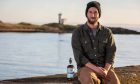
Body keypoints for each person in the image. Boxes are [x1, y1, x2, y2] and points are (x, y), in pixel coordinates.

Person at [71, 1, 120, 84]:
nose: (92, 15)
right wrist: (96, 69)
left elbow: (111, 53)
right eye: (90, 12)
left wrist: (106, 70)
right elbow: (79, 56)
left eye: (95, 12)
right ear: (86, 13)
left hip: (105, 68)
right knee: (88, 80)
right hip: (85, 68)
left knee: (115, 82)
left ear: (99, 14)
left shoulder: (107, 32)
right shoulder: (78, 32)